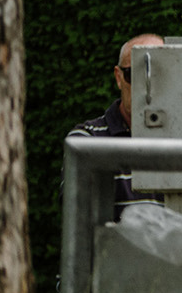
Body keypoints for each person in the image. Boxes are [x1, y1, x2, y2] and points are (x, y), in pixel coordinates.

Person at [68, 32, 164, 213]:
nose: (146, 86)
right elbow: (79, 213)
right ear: (118, 77)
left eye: (158, 75)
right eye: (133, 74)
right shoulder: (88, 139)